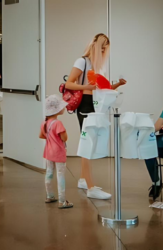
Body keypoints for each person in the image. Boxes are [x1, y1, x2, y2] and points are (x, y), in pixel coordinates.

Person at [66, 33, 126, 200]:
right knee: (88, 143)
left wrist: (118, 84)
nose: (103, 50)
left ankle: (84, 180)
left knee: (90, 142)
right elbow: (68, 83)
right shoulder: (82, 61)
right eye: (102, 47)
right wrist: (87, 86)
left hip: (96, 103)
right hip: (85, 103)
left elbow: (102, 88)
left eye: (105, 47)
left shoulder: (98, 66)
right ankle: (90, 187)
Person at [40, 95, 72, 209]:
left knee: (49, 173)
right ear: (57, 110)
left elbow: (41, 135)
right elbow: (64, 138)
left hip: (48, 152)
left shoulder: (44, 123)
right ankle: (62, 200)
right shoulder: (58, 123)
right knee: (60, 175)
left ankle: (49, 196)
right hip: (58, 152)